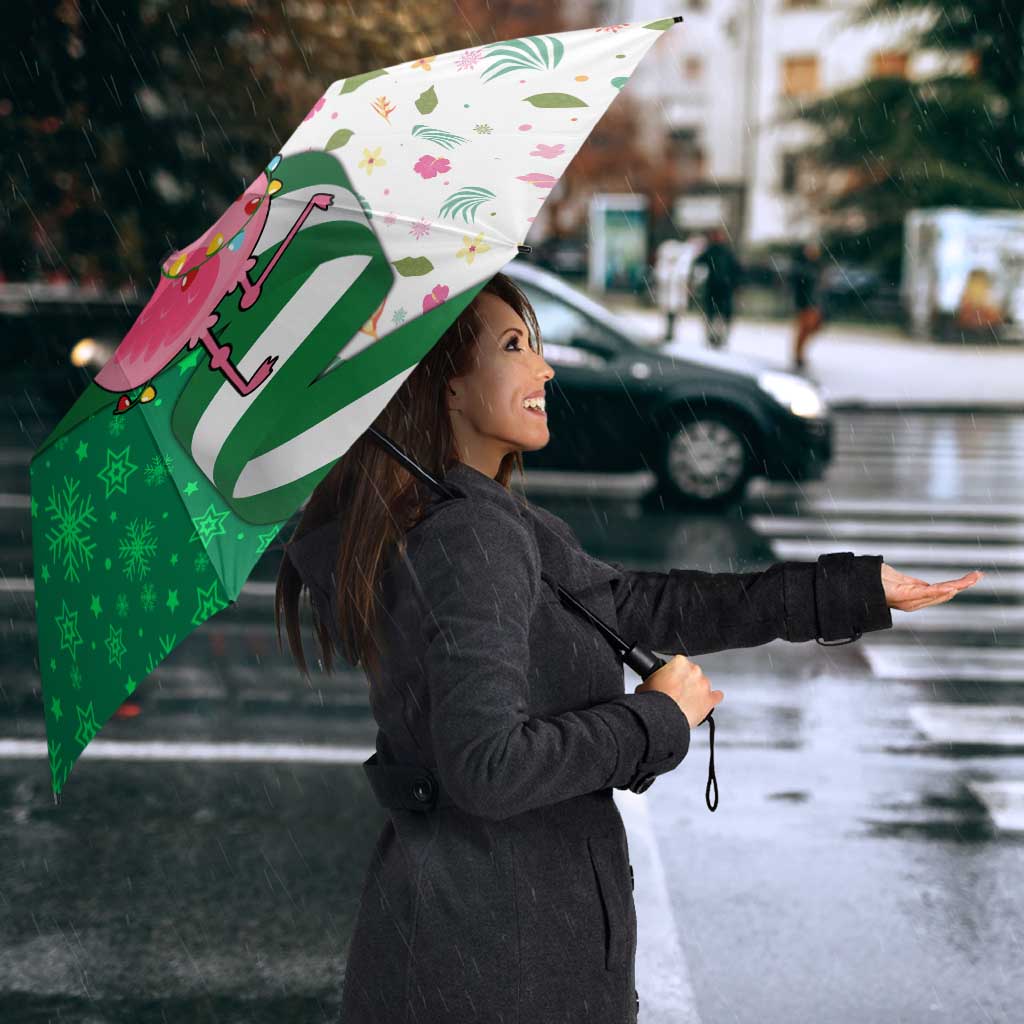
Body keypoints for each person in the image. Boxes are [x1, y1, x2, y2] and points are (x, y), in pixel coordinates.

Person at [276, 271, 972, 1024]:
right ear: (445, 386)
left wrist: (851, 591)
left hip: (476, 944)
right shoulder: (468, 537)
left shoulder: (474, 518)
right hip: (497, 964)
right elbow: (488, 768)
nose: (544, 368)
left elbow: (639, 605)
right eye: (515, 346)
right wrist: (656, 719)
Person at [692, 226, 742, 349]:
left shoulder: (725, 252)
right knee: (713, 314)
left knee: (720, 315)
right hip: (715, 288)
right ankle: (713, 337)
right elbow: (698, 264)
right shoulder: (712, 251)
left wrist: (735, 284)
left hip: (723, 288)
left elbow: (736, 270)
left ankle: (719, 337)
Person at [790, 239, 826, 370]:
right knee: (804, 329)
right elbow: (799, 286)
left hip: (814, 303)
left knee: (812, 328)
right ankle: (798, 355)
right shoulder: (802, 267)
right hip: (805, 303)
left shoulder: (817, 266)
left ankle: (799, 354)